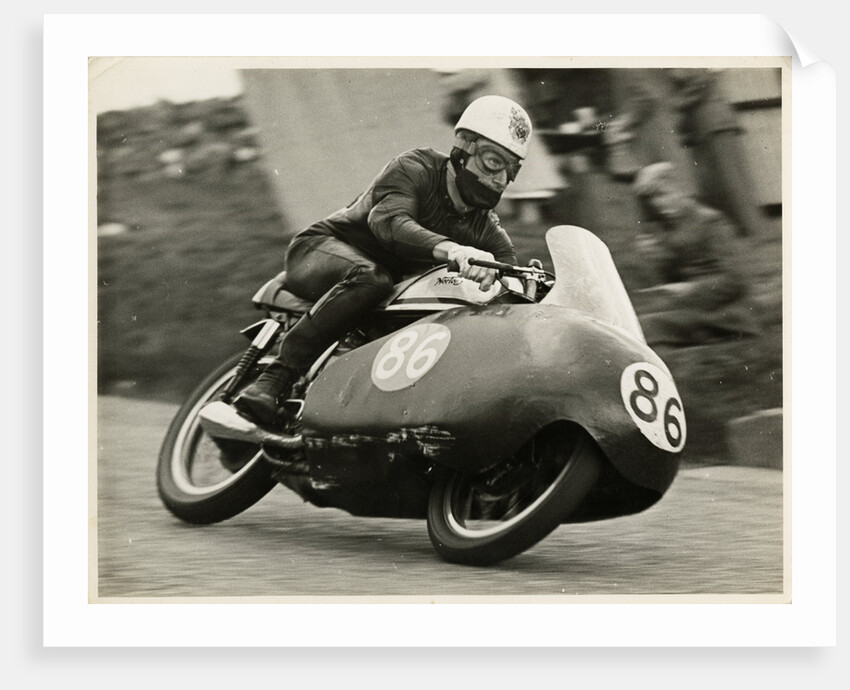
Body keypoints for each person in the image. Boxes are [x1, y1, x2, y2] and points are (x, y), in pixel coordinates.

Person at [232, 95, 533, 427]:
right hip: (320, 250)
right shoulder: (415, 167)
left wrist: (525, 286)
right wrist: (456, 250)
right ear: (464, 149)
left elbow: (508, 276)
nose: (501, 179)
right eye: (493, 162)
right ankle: (273, 380)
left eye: (512, 169)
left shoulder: (485, 226)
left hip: (381, 291)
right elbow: (389, 223)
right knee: (371, 278)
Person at [630, 161, 759, 348]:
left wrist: (691, 289)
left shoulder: (711, 222)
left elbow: (736, 280)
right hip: (694, 307)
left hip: (727, 314)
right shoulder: (671, 229)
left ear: (680, 189)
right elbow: (674, 280)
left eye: (662, 194)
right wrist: (658, 259)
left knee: (645, 327)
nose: (658, 204)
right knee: (636, 323)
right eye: (652, 199)